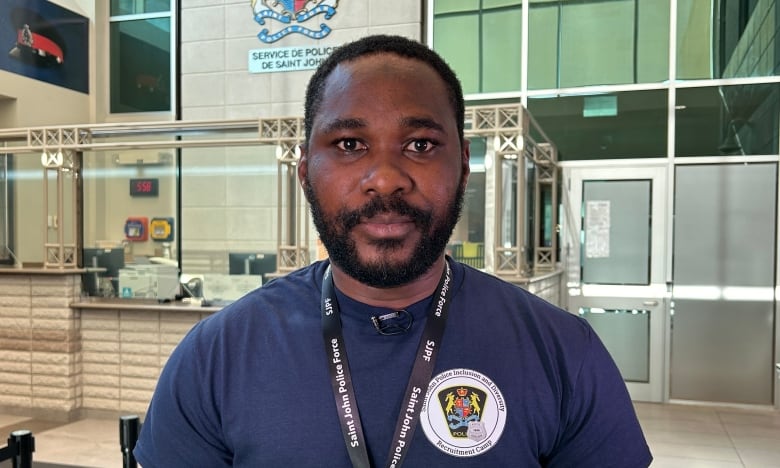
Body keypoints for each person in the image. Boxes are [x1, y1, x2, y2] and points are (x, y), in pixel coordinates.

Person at [133, 34, 652, 467]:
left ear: (464, 166)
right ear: (304, 172)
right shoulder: (217, 356)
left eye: (420, 144)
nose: (385, 180)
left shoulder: (562, 352)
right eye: (349, 145)